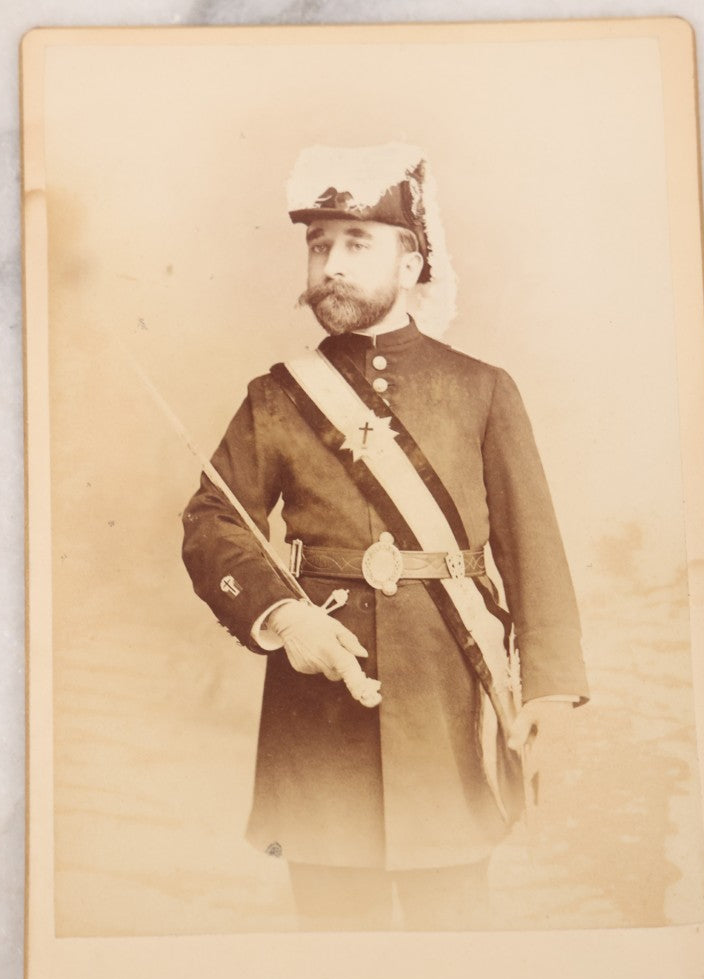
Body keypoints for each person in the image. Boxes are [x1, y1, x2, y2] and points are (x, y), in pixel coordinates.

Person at [182, 144, 589, 931]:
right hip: (319, 703)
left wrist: (547, 687)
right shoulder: (275, 397)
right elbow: (212, 521)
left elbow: (532, 545)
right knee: (336, 940)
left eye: (356, 244)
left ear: (409, 264)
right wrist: (285, 619)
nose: (331, 265)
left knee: (454, 932)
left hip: (447, 697)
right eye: (319, 245)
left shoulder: (480, 389)